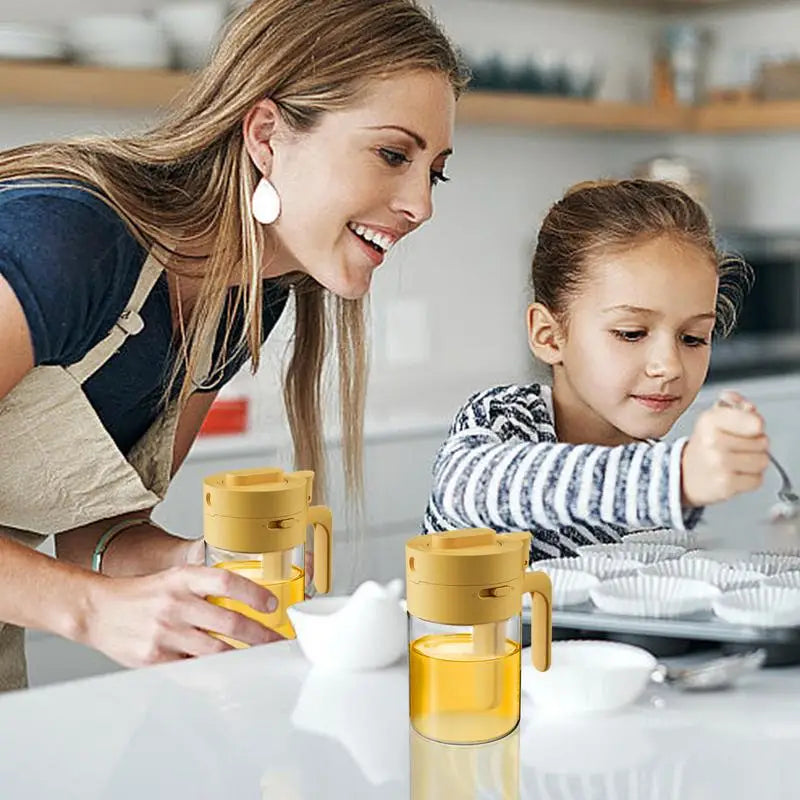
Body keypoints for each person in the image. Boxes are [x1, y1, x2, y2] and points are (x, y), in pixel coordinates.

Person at [0, 0, 466, 690]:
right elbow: (83, 584)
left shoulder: (245, 293)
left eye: (435, 171)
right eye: (392, 154)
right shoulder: (69, 241)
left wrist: (193, 561)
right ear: (267, 134)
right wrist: (91, 610)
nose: (421, 204)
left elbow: (96, 534)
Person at [423, 179, 769, 561]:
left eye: (693, 338)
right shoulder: (506, 419)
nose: (669, 366)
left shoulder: (654, 480)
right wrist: (675, 478)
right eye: (631, 333)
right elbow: (465, 486)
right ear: (550, 337)